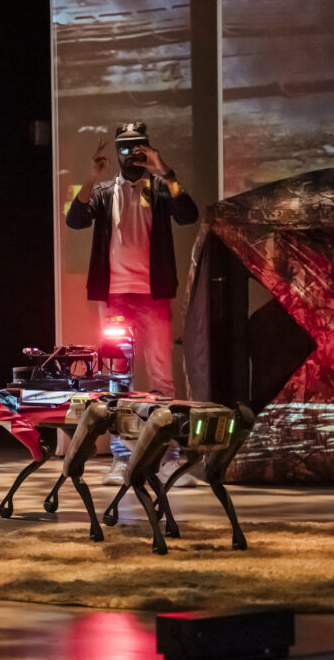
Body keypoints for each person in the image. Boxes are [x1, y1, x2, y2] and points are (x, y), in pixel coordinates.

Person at [65, 123, 199, 486]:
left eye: (138, 147)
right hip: (115, 298)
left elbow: (189, 214)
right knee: (116, 380)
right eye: (124, 148)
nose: (131, 154)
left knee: (161, 377)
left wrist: (165, 171)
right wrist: (91, 178)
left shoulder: (159, 188)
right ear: (117, 153)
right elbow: (75, 220)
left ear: (147, 149)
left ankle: (170, 458)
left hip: (152, 296)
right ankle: (122, 461)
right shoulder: (105, 192)